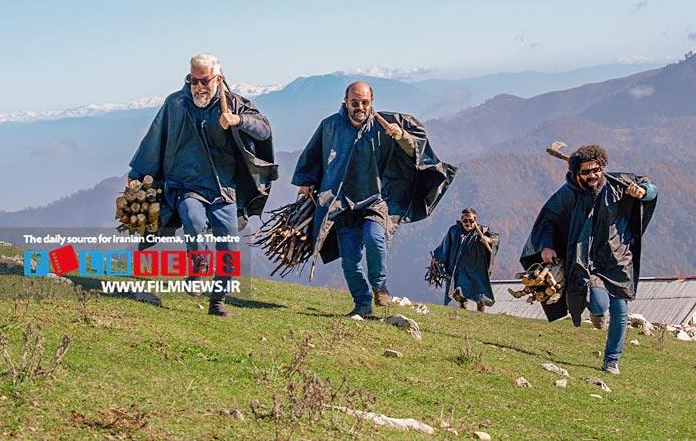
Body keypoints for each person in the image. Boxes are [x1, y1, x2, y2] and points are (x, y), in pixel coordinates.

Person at [129, 53, 277, 316]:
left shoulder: (234, 104)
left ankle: (217, 301)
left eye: (204, 81)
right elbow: (156, 138)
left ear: (217, 79)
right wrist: (138, 173)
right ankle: (197, 273)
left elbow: (264, 129)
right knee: (193, 221)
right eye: (192, 80)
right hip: (186, 186)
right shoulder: (175, 104)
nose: (197, 86)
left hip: (224, 189)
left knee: (228, 246)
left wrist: (238, 121)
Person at [292, 81, 456, 318]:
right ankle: (362, 304)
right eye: (355, 103)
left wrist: (400, 137)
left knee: (375, 238)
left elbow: (415, 152)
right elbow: (314, 154)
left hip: (375, 200)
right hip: (341, 203)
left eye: (365, 103)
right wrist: (306, 181)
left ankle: (380, 286)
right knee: (349, 260)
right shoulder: (330, 126)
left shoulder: (384, 127)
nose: (360, 107)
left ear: (372, 102)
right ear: (345, 101)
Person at [520, 144, 657, 374]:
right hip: (587, 259)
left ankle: (612, 359)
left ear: (602, 167)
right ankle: (596, 313)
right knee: (599, 303)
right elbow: (548, 221)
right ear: (576, 173)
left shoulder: (618, 184)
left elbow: (651, 187)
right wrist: (546, 246)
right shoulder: (568, 194)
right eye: (586, 172)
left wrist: (642, 192)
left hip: (618, 256)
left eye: (596, 170)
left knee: (620, 309)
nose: (592, 175)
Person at [433, 208, 499, 311]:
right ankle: (463, 310)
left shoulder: (482, 231)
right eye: (465, 221)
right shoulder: (454, 231)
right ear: (461, 220)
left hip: (477, 269)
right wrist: (437, 258)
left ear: (475, 220)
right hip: (459, 268)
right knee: (458, 292)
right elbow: (445, 245)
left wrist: (488, 239)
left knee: (480, 293)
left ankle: (480, 315)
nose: (468, 223)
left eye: (471, 221)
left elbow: (495, 238)